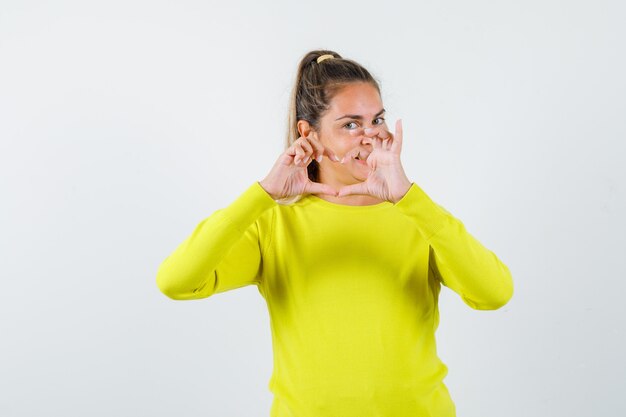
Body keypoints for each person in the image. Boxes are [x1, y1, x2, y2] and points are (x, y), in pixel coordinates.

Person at [156, 49, 514, 417]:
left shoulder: (418, 217)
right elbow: (176, 281)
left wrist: (410, 198)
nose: (371, 136)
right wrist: (261, 195)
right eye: (351, 125)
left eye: (377, 120)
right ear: (308, 133)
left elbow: (494, 293)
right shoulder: (275, 225)